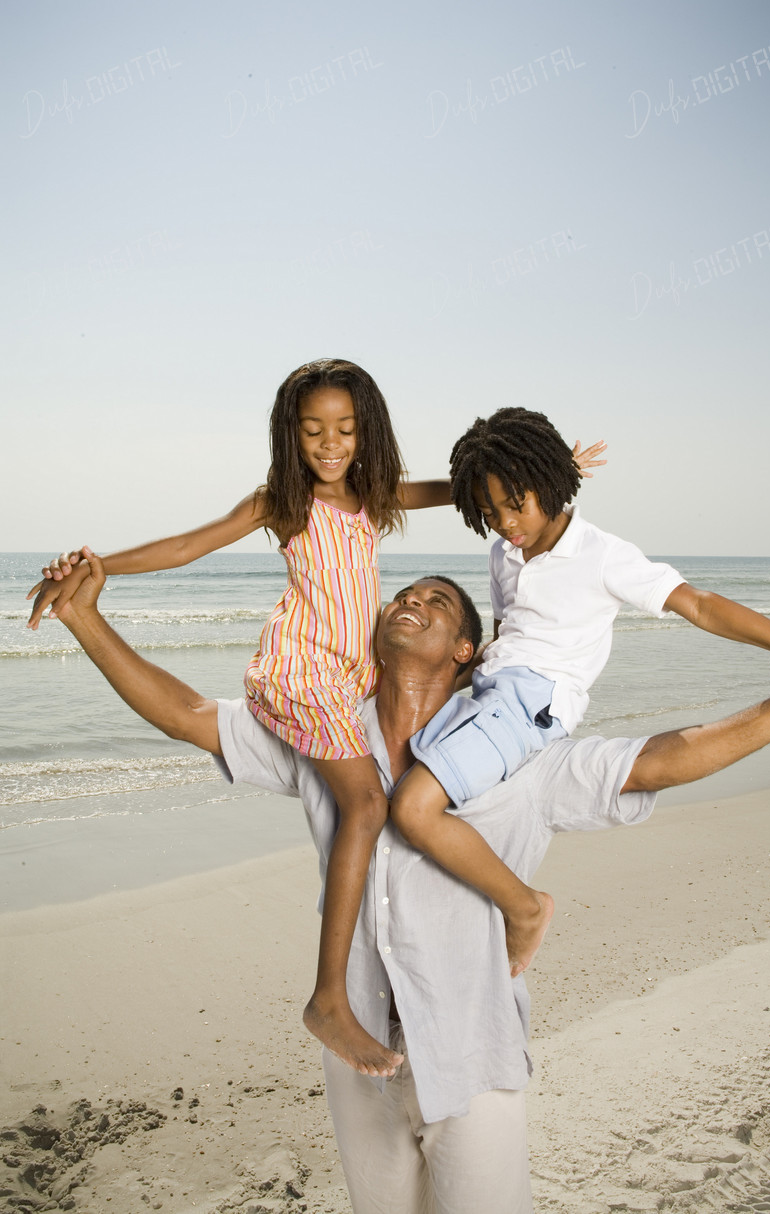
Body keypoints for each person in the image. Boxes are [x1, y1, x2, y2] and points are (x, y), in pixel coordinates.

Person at [41, 548, 770, 1214]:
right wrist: (85, 620)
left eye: (435, 602)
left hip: (471, 1052)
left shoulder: (514, 753)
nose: (410, 601)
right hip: (358, 1050)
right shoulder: (324, 737)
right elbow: (189, 714)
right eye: (403, 596)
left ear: (466, 650)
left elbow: (651, 762)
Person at [26, 363, 606, 1078]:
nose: (329, 445)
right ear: (289, 434)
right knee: (365, 803)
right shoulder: (281, 502)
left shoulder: (373, 494)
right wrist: (97, 565)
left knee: (369, 800)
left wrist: (540, 472)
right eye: (312, 431)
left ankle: (347, 991)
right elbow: (189, 546)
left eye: (345, 430)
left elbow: (459, 491)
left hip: (349, 672)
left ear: (366, 432)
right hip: (302, 672)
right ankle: (329, 998)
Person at [387, 407, 770, 981]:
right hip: (490, 692)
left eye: (516, 505)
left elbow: (700, 604)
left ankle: (525, 908)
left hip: (532, 702)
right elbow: (511, 634)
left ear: (550, 485)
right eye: (488, 513)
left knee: (413, 808)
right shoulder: (503, 552)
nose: (506, 523)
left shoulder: (603, 554)